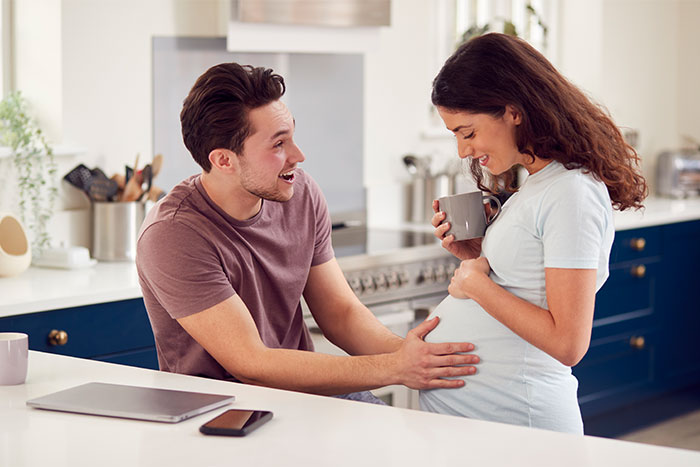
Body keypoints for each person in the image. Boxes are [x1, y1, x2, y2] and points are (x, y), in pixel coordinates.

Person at [135, 62, 480, 403]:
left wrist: (413, 355)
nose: (298, 156)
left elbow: (340, 313)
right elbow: (251, 364)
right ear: (224, 160)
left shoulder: (299, 192)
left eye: (293, 137)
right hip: (223, 413)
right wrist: (395, 368)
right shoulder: (174, 234)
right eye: (278, 144)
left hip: (304, 396)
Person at [419, 33, 647, 433]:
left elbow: (568, 343)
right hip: (493, 427)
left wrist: (477, 287)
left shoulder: (571, 192)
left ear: (512, 111)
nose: (462, 151)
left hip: (522, 426)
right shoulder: (541, 184)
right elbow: (526, 288)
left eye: (467, 132)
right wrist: (475, 256)